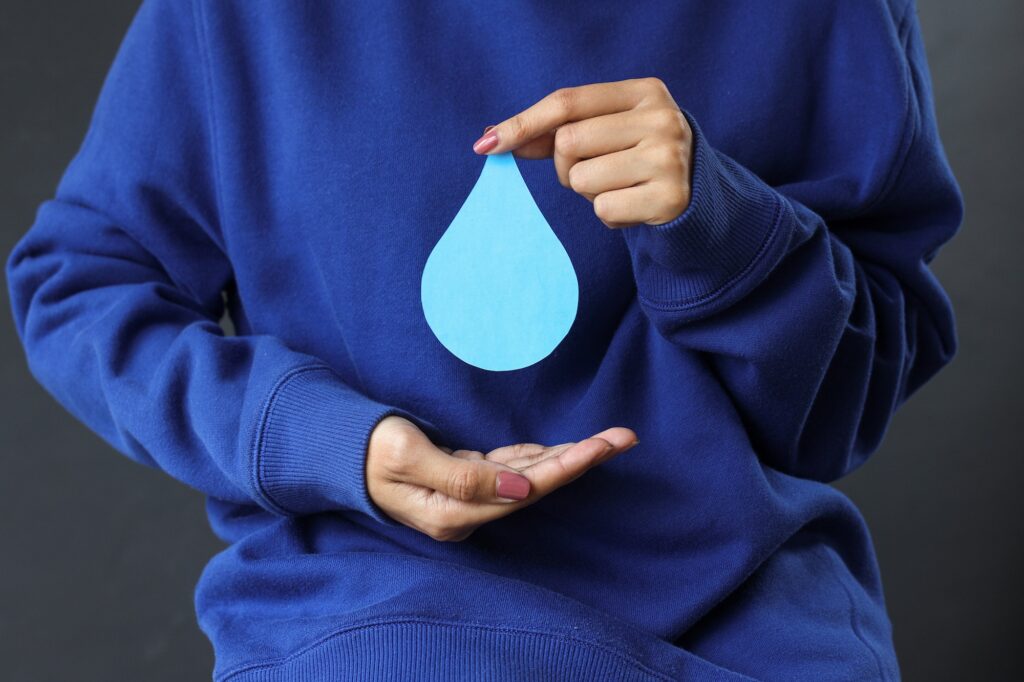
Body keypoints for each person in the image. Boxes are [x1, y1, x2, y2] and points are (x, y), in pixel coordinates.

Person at [6, 0, 962, 679]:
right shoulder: (237, 17)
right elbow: (78, 284)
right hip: (369, 619)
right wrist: (331, 443)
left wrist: (723, 226)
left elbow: (856, 392)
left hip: (750, 634)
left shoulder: (830, 15)